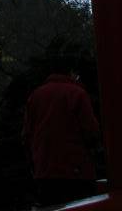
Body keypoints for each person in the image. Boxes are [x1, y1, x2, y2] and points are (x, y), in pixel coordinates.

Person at [23, 57, 100, 207]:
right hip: (76, 170)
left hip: (45, 171)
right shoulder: (77, 93)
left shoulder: (36, 95)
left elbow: (26, 135)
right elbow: (91, 131)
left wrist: (35, 163)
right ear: (71, 73)